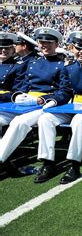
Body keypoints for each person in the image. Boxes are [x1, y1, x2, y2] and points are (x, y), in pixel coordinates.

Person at [34, 31, 82, 184]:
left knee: (79, 122)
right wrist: (54, 101)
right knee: (45, 119)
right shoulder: (68, 67)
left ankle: (74, 164)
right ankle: (48, 162)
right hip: (70, 106)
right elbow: (65, 91)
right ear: (72, 48)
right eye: (78, 48)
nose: (81, 52)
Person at [0, 28, 72, 170]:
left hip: (44, 105)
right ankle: (6, 160)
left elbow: (64, 91)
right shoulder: (33, 62)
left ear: (56, 44)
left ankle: (1, 159)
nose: (44, 45)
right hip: (25, 102)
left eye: (48, 42)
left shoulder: (62, 65)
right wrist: (19, 95)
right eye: (42, 42)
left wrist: (42, 99)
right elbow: (24, 85)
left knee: (19, 122)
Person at [0, 32, 27, 128]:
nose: (3, 50)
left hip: (7, 103)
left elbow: (18, 90)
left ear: (12, 49)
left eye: (7, 48)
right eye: (1, 48)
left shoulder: (18, 66)